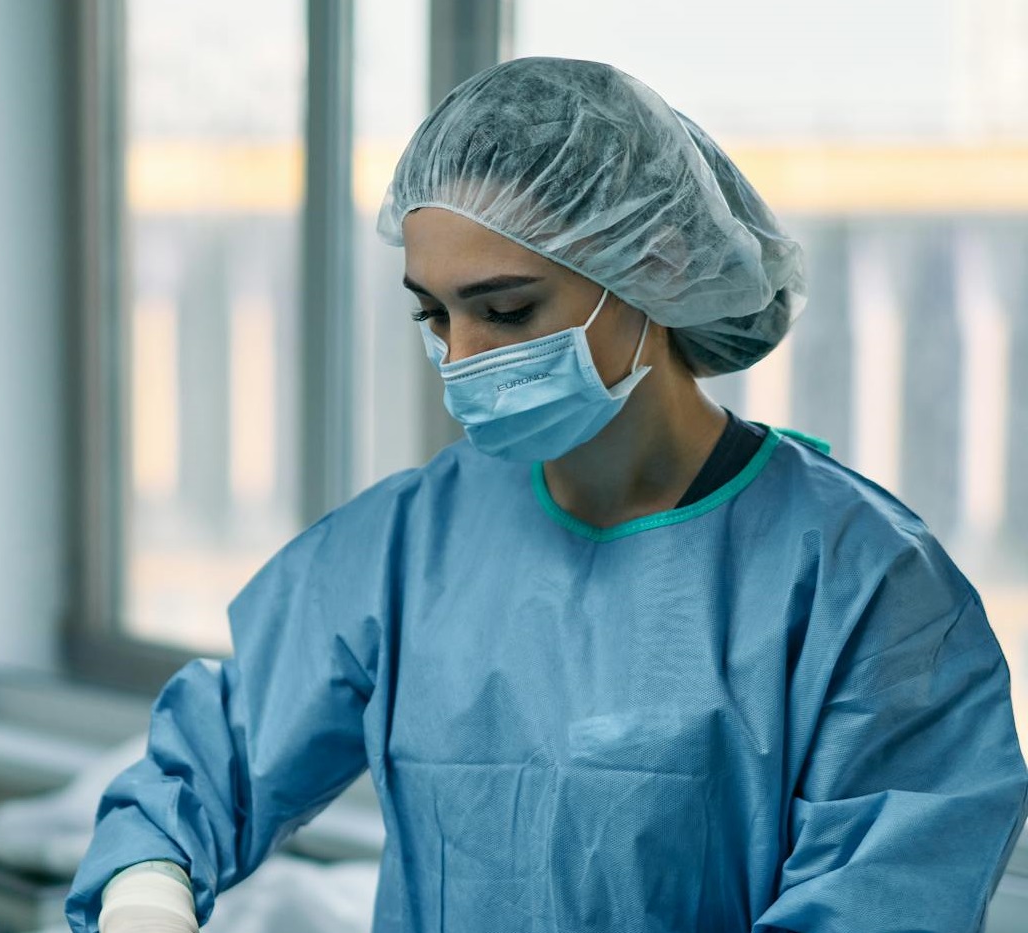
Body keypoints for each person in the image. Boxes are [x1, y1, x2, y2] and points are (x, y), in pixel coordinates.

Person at [66, 57, 1028, 933]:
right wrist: (147, 894)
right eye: (433, 315)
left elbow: (880, 896)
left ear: (659, 265)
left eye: (505, 309)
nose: (461, 357)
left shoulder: (860, 584)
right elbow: (209, 763)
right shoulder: (416, 542)